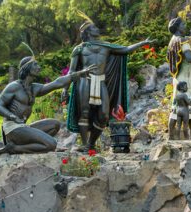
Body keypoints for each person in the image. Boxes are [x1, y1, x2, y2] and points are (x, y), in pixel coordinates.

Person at [64, 21, 154, 151]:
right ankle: (85, 145)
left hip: (100, 81)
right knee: (84, 113)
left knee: (104, 115)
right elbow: (71, 72)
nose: (97, 28)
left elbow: (125, 49)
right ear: (88, 32)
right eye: (94, 27)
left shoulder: (106, 46)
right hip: (84, 81)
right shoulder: (79, 49)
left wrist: (141, 43)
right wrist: (65, 89)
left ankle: (91, 143)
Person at [0, 56, 95, 155]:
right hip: (12, 129)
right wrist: (12, 116)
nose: (39, 67)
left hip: (23, 127)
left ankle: (33, 144)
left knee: (55, 124)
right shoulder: (14, 86)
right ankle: (14, 148)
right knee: (51, 144)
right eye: (35, 64)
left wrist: (79, 74)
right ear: (27, 68)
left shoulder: (34, 88)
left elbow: (57, 83)